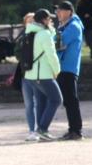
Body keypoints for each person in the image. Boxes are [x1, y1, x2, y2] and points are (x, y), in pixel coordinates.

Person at [22, 9, 63, 141]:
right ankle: (42, 129)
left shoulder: (30, 32)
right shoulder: (44, 34)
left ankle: (40, 130)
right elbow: (51, 55)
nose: (51, 21)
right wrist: (57, 70)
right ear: (44, 20)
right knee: (56, 99)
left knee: (41, 102)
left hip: (31, 75)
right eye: (49, 18)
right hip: (43, 74)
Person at [55, 1, 85, 141]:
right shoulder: (67, 26)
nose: (58, 13)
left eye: (60, 10)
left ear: (69, 12)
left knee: (71, 100)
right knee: (68, 100)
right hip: (65, 68)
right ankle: (73, 129)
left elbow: (59, 43)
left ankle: (76, 131)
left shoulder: (73, 26)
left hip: (68, 68)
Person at [13, 13, 40, 140]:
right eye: (28, 22)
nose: (31, 24)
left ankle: (41, 128)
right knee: (29, 104)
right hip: (26, 74)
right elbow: (17, 52)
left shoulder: (41, 34)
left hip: (39, 74)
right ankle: (32, 130)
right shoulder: (22, 37)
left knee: (39, 103)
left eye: (33, 21)